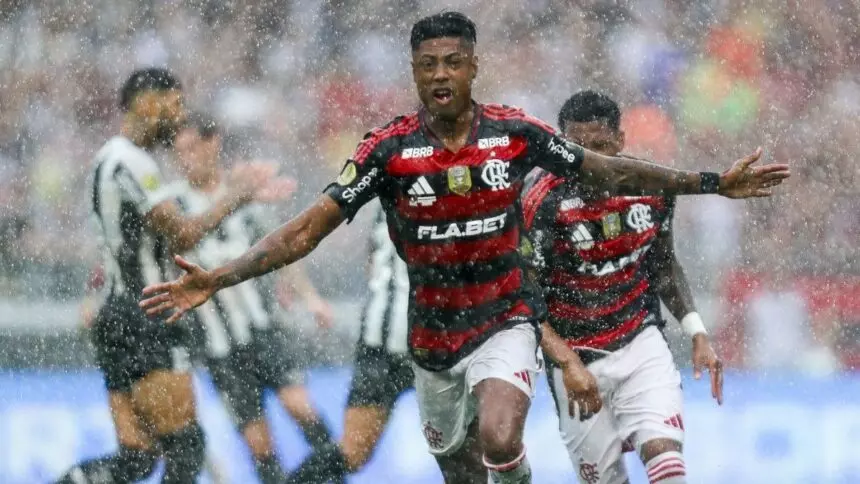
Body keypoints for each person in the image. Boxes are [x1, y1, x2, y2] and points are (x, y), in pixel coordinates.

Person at [139, 12, 788, 483]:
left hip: (502, 320)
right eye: (429, 64)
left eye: (454, 61)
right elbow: (307, 229)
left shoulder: (513, 133)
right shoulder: (387, 151)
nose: (442, 74)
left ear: (473, 66)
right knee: (461, 467)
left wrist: (710, 184)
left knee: (500, 436)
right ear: (415, 72)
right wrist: (219, 277)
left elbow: (604, 168)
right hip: (431, 341)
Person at [57, 68, 279, 484]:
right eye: (174, 105)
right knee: (186, 446)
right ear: (145, 103)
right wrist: (236, 195)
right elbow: (182, 232)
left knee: (137, 458)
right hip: (143, 315)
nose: (180, 118)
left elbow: (140, 241)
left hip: (120, 315)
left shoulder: (118, 159)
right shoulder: (129, 160)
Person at [520, 91, 723, 484]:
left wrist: (696, 329)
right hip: (576, 360)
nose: (590, 163)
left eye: (600, 147)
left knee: (668, 466)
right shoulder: (539, 203)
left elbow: (662, 265)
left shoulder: (652, 187)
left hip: (639, 344)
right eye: (577, 150)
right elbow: (525, 302)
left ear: (620, 141)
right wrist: (567, 362)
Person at [172, 114, 336, 484]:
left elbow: (281, 252)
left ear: (213, 144)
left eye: (191, 148)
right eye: (178, 152)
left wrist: (311, 298)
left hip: (264, 330)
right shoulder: (174, 208)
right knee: (259, 446)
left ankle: (336, 476)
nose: (185, 159)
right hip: (219, 350)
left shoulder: (245, 194)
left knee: (300, 408)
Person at [284, 202, 412, 484]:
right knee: (354, 452)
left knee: (468, 448)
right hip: (386, 342)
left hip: (438, 341)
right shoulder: (403, 180)